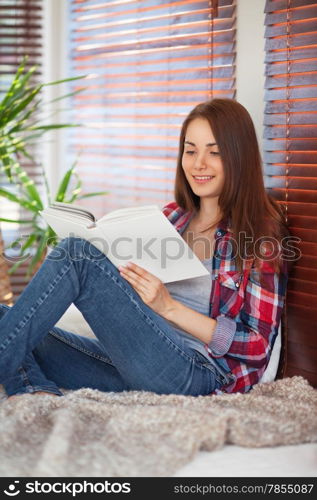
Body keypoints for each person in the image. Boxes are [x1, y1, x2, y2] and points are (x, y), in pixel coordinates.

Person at [0, 98, 289, 399]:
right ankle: (35, 390)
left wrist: (168, 307)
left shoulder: (260, 235)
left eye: (214, 152)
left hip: (196, 373)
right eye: (190, 151)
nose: (198, 163)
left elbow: (257, 346)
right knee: (5, 318)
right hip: (135, 362)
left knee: (76, 253)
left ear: (238, 157)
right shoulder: (173, 217)